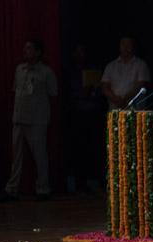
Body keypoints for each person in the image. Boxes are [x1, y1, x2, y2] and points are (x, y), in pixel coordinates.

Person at [0, 40, 57, 202]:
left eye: (29, 48)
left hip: (37, 120)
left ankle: (43, 189)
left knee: (39, 155)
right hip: (19, 118)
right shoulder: (19, 69)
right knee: (17, 157)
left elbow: (53, 93)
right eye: (25, 48)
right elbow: (16, 91)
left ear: (38, 52)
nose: (25, 50)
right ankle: (12, 189)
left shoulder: (46, 72)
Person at [65, 43, 105, 194]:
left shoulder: (95, 70)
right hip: (76, 114)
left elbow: (101, 90)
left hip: (93, 113)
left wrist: (92, 93)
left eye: (82, 51)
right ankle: (80, 183)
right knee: (78, 149)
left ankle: (98, 182)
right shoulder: (71, 72)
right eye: (77, 51)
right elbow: (66, 92)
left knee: (94, 148)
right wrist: (78, 94)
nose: (79, 54)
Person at [101, 36, 150, 110]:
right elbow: (105, 87)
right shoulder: (110, 66)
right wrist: (116, 100)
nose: (125, 47)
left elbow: (141, 85)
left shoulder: (141, 65)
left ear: (134, 47)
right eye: (123, 44)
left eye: (129, 44)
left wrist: (124, 98)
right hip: (114, 109)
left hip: (134, 111)